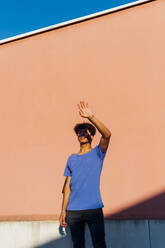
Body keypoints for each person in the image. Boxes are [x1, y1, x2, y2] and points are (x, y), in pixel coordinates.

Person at [59, 101, 111, 248]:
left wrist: (91, 117)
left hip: (93, 208)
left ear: (92, 136)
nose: (81, 134)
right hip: (73, 212)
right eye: (79, 132)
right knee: (78, 245)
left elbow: (107, 134)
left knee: (99, 244)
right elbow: (67, 187)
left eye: (85, 131)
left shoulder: (97, 153)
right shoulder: (71, 158)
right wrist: (63, 211)